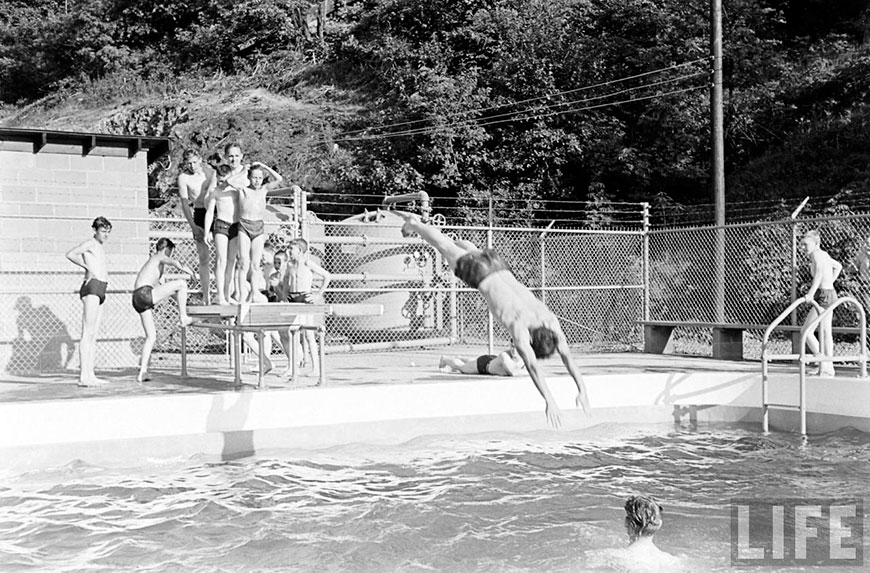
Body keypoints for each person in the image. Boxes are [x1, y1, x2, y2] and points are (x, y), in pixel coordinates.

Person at [398, 212, 590, 428]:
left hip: (498, 264)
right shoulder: (521, 330)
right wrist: (549, 400)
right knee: (443, 246)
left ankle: (455, 242)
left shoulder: (550, 321)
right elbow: (533, 367)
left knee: (463, 249)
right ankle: (416, 225)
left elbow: (568, 358)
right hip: (480, 275)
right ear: (532, 343)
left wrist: (582, 389)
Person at [132, 238, 195, 383]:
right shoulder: (159, 256)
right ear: (166, 248)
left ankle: (143, 372)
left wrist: (182, 301)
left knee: (151, 336)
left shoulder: (154, 266)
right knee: (182, 283)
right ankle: (184, 317)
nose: (171, 255)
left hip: (137, 298)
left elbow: (166, 290)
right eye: (171, 252)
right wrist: (191, 272)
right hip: (145, 293)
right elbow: (177, 264)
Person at [234, 162, 293, 302]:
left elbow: (279, 179)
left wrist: (264, 166)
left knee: (255, 264)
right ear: (249, 178)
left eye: (260, 177)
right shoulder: (243, 189)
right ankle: (241, 293)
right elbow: (229, 181)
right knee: (243, 262)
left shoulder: (264, 189)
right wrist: (244, 170)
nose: (257, 180)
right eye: (254, 177)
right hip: (244, 225)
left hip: (258, 226)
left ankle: (254, 292)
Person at [65, 216, 112, 387]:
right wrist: (87, 268)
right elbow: (70, 254)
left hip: (101, 287)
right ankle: (83, 376)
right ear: (95, 230)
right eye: (103, 231)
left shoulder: (99, 247)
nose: (106, 235)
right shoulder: (90, 243)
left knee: (93, 334)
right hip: (92, 287)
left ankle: (90, 374)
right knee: (87, 332)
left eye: (108, 232)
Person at [279, 238, 331, 377]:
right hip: (292, 298)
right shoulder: (289, 264)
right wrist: (284, 294)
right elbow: (285, 280)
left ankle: (316, 368)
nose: (288, 252)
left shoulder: (308, 263)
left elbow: (327, 276)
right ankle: (292, 365)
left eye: (292, 249)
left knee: (309, 335)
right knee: (290, 332)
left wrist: (318, 294)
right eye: (288, 249)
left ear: (300, 251)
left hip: (305, 298)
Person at [800, 229, 842, 377]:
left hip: (823, 295)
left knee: (806, 331)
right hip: (829, 293)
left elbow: (818, 274)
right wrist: (830, 282)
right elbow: (838, 266)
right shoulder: (824, 254)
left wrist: (811, 293)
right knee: (825, 332)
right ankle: (827, 367)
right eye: (802, 245)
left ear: (816, 243)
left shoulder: (817, 255)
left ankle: (824, 363)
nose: (803, 247)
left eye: (806, 244)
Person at [177, 149, 216, 303]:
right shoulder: (184, 178)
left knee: (221, 256)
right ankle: (206, 295)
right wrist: (193, 226)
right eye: (189, 163)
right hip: (199, 212)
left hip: (215, 211)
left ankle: (223, 292)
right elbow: (185, 204)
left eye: (194, 162)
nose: (192, 166)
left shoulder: (210, 172)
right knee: (204, 257)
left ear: (200, 159)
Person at [203, 162, 241, 304]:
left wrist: (233, 182)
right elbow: (210, 212)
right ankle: (220, 295)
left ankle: (227, 293)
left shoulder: (236, 191)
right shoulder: (216, 192)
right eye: (220, 179)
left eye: (225, 179)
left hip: (235, 225)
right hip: (221, 225)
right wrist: (207, 232)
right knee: (221, 260)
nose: (223, 182)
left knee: (232, 260)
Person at [439, 346, 526, 376]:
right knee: (462, 368)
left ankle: (461, 357)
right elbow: (513, 372)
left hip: (492, 359)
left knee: (471, 362)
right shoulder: (505, 355)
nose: (514, 350)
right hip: (484, 365)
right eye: (512, 346)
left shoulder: (525, 357)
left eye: (516, 347)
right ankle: (445, 359)